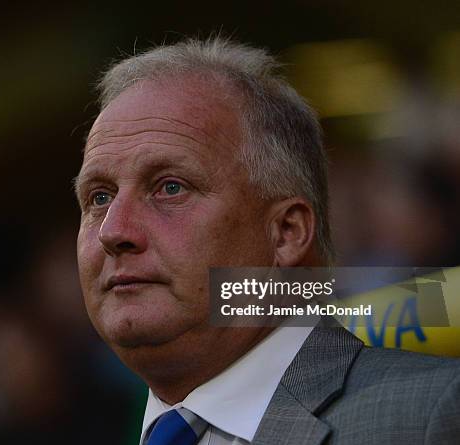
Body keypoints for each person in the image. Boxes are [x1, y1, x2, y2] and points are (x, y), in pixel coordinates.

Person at [73, 36, 460, 444]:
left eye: (170, 187)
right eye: (99, 197)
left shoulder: (430, 418)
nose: (113, 231)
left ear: (287, 233)